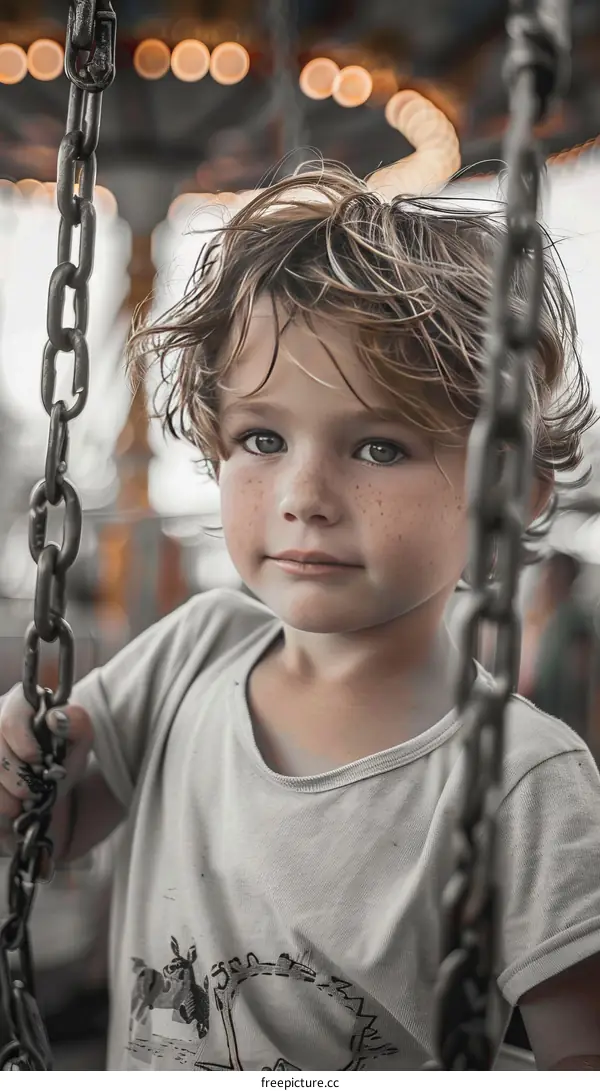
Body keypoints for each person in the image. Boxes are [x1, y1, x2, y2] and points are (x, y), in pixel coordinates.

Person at [1, 165, 600, 1072]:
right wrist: (19, 770)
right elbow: (52, 832)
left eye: (379, 446)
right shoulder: (191, 654)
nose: (304, 496)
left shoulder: (524, 780)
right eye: (264, 438)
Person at [519, 552, 597, 745]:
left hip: (566, 722)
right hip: (545, 714)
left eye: (550, 574)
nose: (544, 581)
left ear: (565, 578)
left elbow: (583, 677)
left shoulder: (574, 620)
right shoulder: (546, 618)